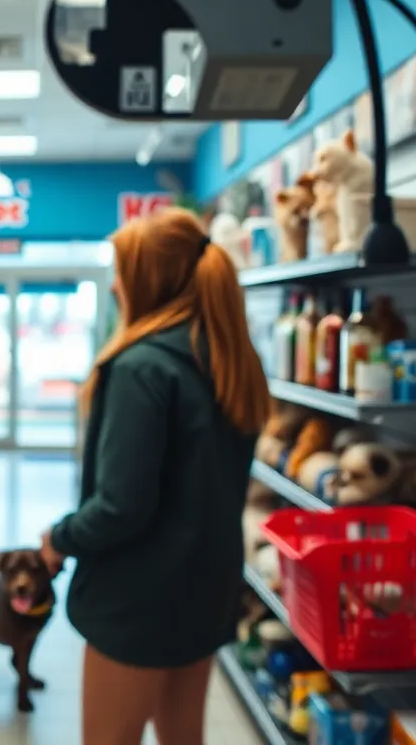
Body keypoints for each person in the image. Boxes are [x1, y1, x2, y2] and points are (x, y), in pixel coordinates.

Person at [40, 208, 270, 745]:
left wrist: (59, 536)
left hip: (138, 600)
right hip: (206, 587)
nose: (116, 285)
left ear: (149, 280)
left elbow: (121, 506)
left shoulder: (141, 368)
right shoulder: (230, 360)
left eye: (122, 271)